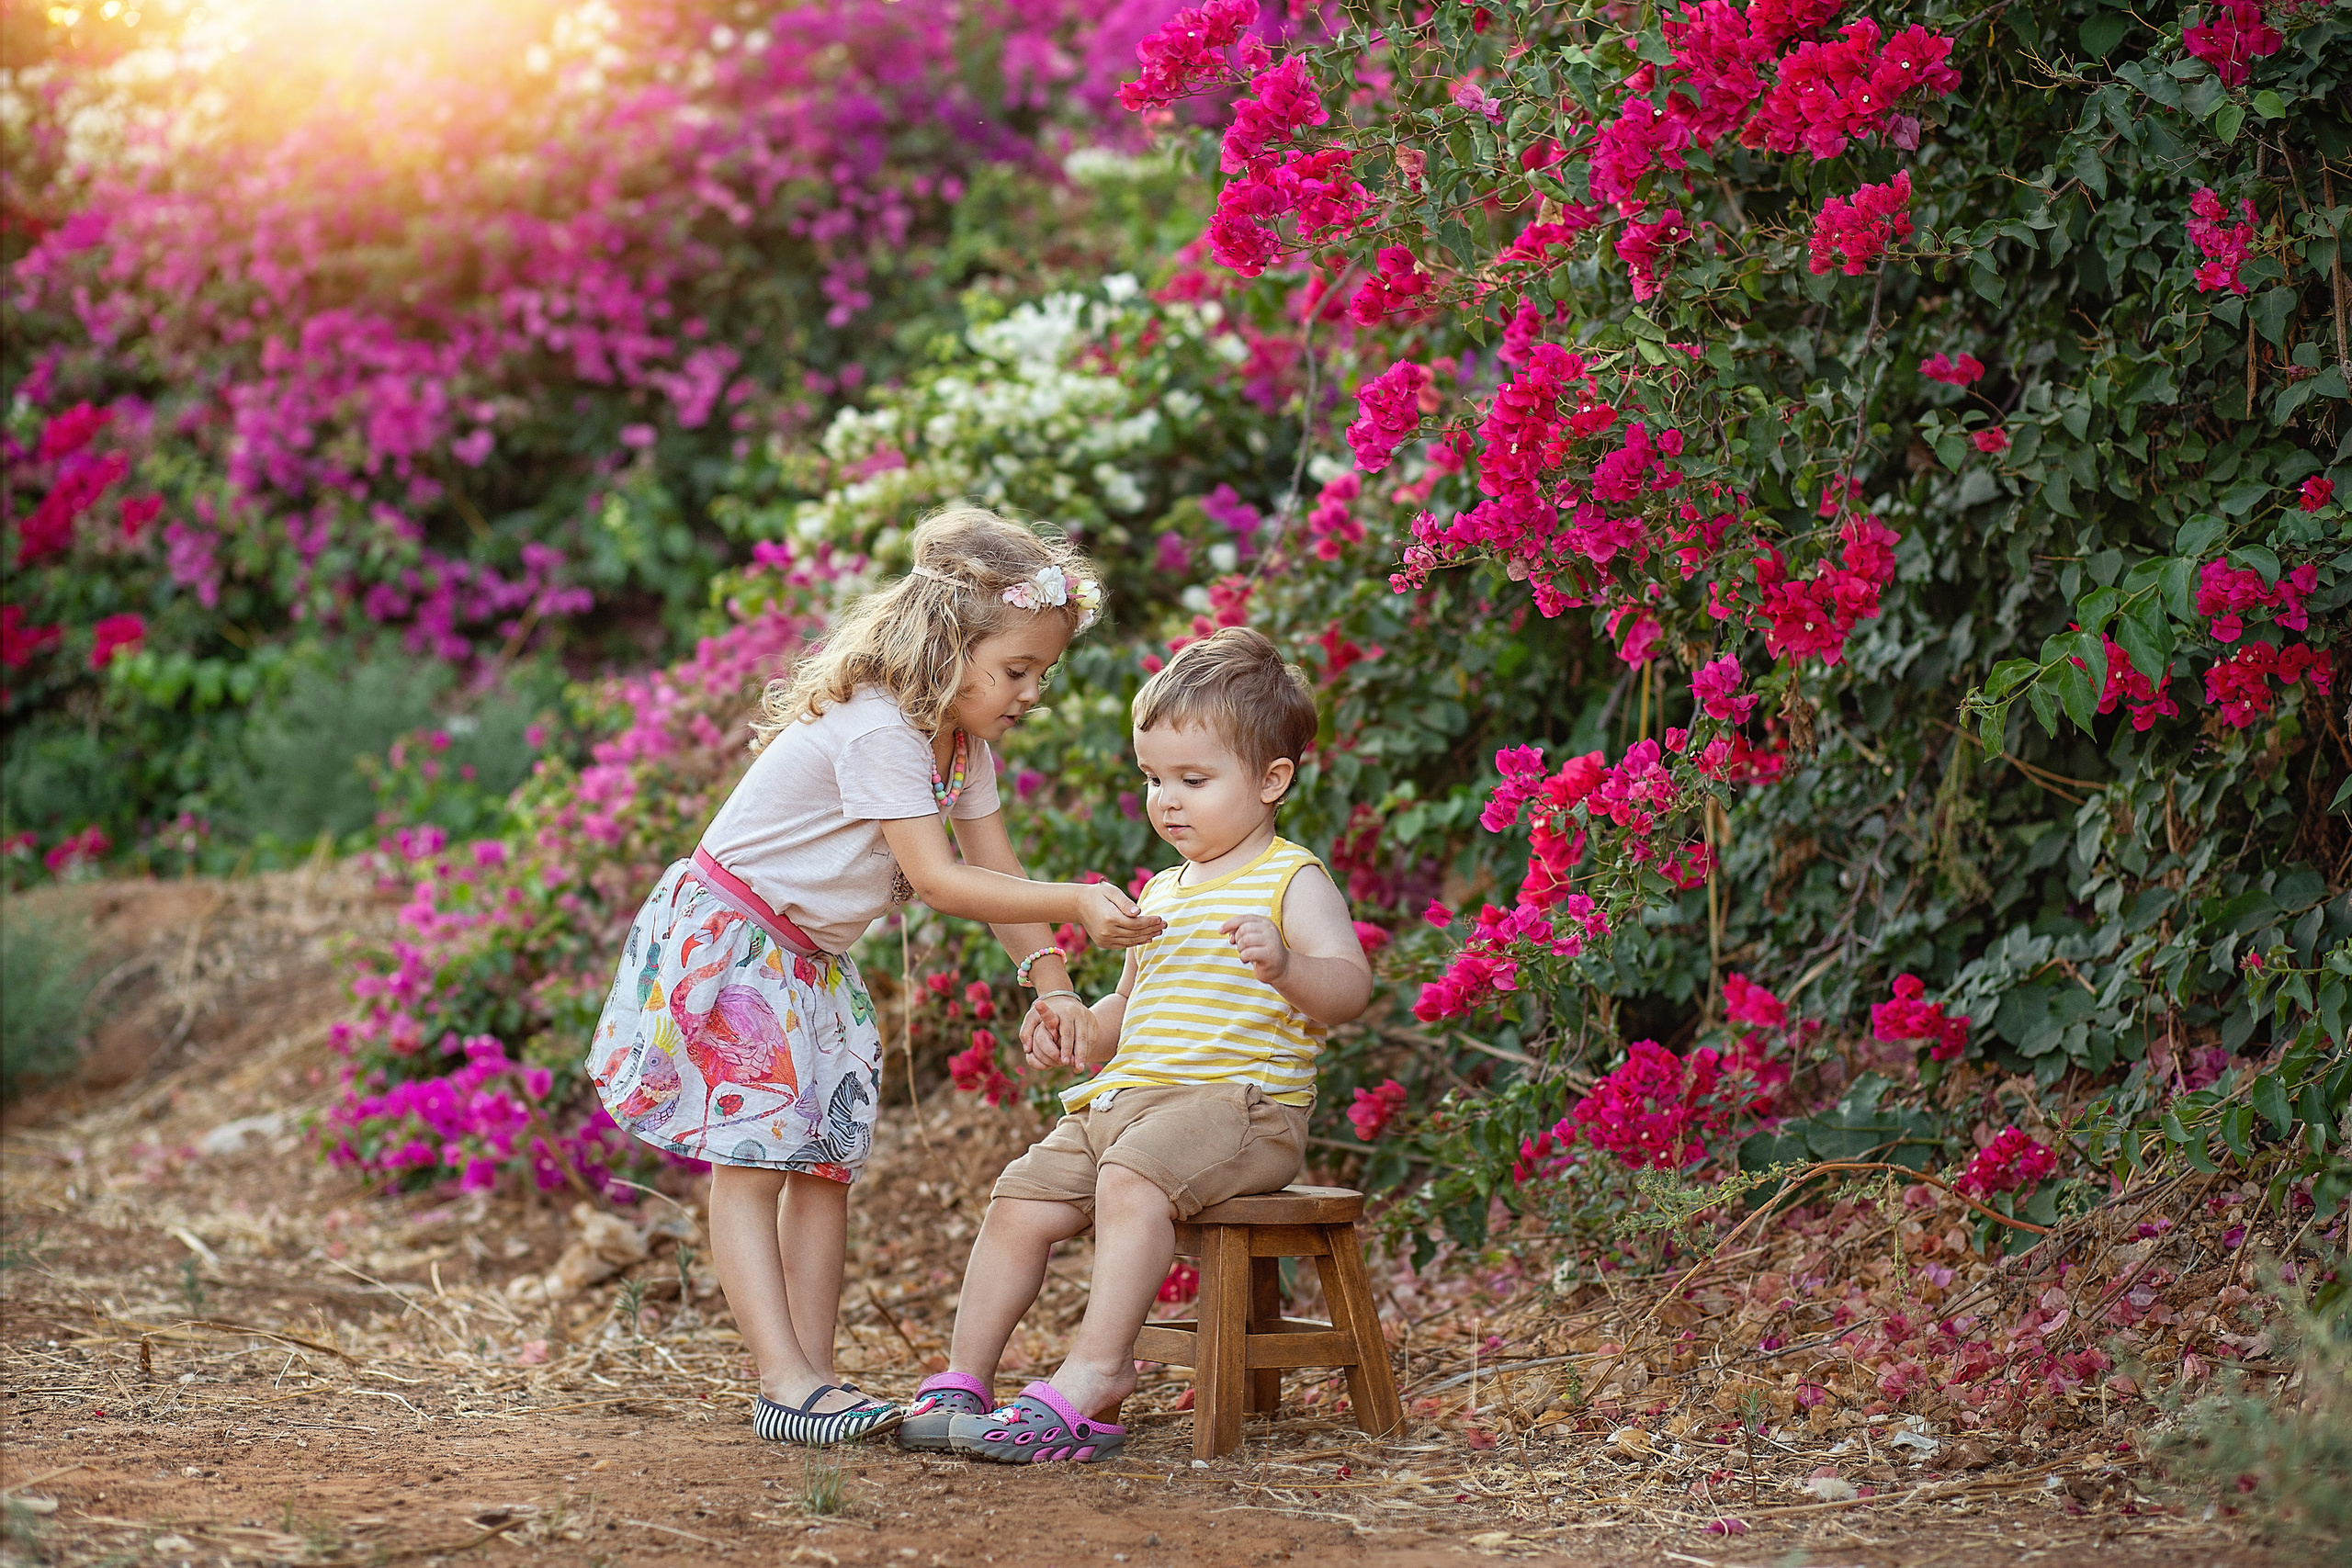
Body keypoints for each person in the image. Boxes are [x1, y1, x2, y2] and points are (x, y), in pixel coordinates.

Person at [583, 505, 1162, 1448]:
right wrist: (1079, 897)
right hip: (739, 944)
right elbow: (938, 880)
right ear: (950, 647)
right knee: (751, 1166)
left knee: (823, 1167)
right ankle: (784, 1380)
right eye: (1017, 669)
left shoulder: (961, 747)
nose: (1032, 692)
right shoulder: (880, 728)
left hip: (810, 961)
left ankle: (813, 1382)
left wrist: (1053, 984)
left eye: (1044, 674)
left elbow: (999, 874)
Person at [899, 626, 1373, 1463]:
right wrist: (1082, 1025)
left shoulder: (1290, 878)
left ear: (1271, 780)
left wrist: (1288, 964)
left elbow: (1350, 989)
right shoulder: (1163, 889)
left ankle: (1098, 1371)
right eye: (1153, 778)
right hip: (1124, 1104)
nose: (1167, 800)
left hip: (1242, 1107)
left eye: (1194, 779)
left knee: (1128, 1179)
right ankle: (964, 1378)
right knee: (1018, 1201)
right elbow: (1131, 1004)